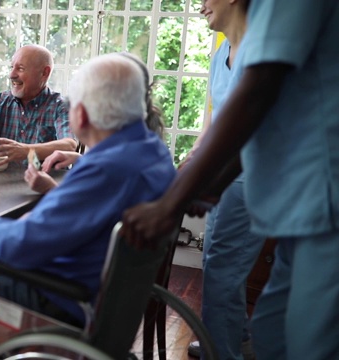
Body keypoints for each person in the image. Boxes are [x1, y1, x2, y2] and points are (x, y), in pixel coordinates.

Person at [121, 1, 339, 359]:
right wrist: (205, 184)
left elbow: (259, 96)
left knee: (306, 340)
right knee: (272, 329)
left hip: (320, 199)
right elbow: (238, 124)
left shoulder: (269, 35)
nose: (200, 3)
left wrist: (172, 203)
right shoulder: (226, 51)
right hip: (292, 205)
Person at [0, 52, 176, 336]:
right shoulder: (155, 156)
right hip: (105, 304)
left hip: (53, 305)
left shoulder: (105, 169)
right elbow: (94, 213)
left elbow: (17, 247)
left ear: (81, 113)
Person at [183, 1, 261, 359]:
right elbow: (212, 123)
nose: (200, 7)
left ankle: (222, 351)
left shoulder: (261, 50)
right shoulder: (221, 53)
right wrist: (192, 160)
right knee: (221, 261)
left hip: (251, 179)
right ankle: (238, 339)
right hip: (225, 179)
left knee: (221, 267)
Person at [24, 51, 164, 195]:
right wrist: (81, 159)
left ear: (82, 114)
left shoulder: (105, 171)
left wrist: (50, 188)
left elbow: (81, 207)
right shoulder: (151, 148)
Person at [0, 44, 77, 167]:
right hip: (4, 182)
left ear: (44, 73)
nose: (11, 75)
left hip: (46, 182)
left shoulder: (61, 106)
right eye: (11, 67)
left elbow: (69, 145)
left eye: (20, 68)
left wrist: (26, 150)